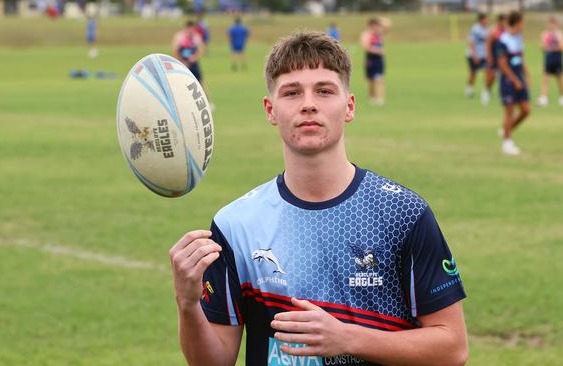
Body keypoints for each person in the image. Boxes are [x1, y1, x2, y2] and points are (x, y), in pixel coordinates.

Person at [169, 31, 468, 366]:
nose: (308, 103)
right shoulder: (235, 224)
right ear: (270, 110)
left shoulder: (403, 214)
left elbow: (453, 349)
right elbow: (214, 361)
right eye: (291, 92)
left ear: (349, 106)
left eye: (324, 91)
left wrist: (348, 337)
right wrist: (187, 303)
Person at [497, 11, 530, 156]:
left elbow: (520, 59)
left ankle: (505, 130)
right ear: (517, 23)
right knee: (509, 112)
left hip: (519, 78)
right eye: (523, 22)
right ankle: (507, 144)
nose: (524, 25)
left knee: (526, 110)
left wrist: (526, 76)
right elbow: (503, 64)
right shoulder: (503, 40)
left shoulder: (519, 38)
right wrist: (514, 80)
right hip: (508, 81)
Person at [172, 20, 208, 96]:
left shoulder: (196, 37)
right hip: (181, 65)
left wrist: (194, 58)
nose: (191, 31)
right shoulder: (179, 37)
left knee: (200, 83)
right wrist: (181, 61)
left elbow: (200, 50)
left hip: (193, 64)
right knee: (180, 84)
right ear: (186, 28)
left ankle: (208, 102)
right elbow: (175, 51)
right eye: (189, 29)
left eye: (192, 29)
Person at [536, 16, 563, 107]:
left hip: (557, 58)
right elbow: (542, 47)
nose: (551, 25)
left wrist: (550, 48)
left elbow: (561, 46)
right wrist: (548, 47)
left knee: (560, 78)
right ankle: (544, 98)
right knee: (545, 78)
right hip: (548, 58)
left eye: (552, 24)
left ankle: (561, 97)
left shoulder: (559, 34)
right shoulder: (545, 34)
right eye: (549, 24)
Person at [360, 18, 387, 105]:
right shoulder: (366, 34)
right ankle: (372, 98)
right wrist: (378, 51)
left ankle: (380, 99)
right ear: (371, 25)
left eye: (377, 25)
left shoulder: (379, 34)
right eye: (375, 25)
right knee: (371, 80)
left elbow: (388, 26)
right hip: (370, 59)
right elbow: (366, 46)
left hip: (379, 60)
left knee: (380, 79)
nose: (376, 27)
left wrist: (382, 21)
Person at [465, 13, 490, 104]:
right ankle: (469, 88)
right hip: (473, 55)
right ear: (481, 20)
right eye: (486, 19)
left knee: (487, 72)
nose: (487, 21)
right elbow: (471, 42)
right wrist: (475, 55)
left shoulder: (487, 29)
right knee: (473, 73)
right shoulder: (475, 29)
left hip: (484, 55)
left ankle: (486, 90)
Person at [484, 14, 506, 104]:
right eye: (504, 21)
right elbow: (488, 44)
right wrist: (489, 56)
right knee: (491, 76)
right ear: (499, 21)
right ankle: (487, 90)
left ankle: (503, 95)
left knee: (503, 77)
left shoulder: (507, 31)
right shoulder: (493, 31)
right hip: (494, 57)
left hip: (503, 58)